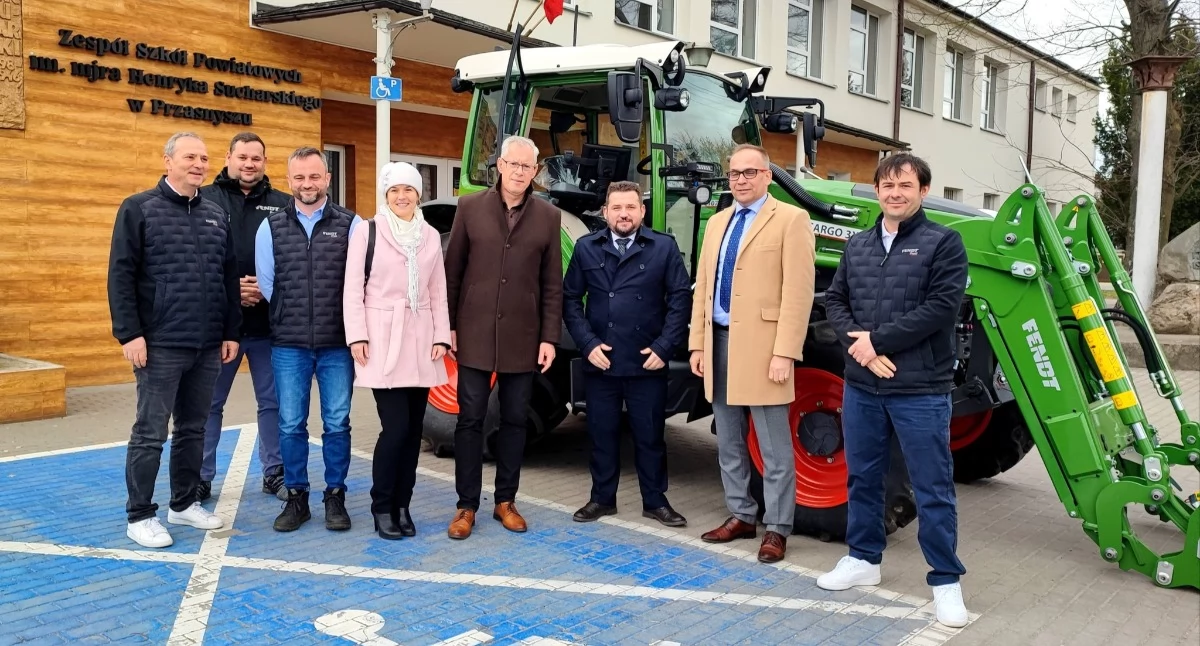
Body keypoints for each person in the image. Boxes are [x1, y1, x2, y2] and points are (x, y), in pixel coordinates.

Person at [816, 152, 970, 628]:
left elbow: (943, 307)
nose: (895, 193)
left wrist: (877, 341)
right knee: (863, 476)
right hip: (862, 387)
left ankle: (945, 580)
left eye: (905, 185)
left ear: (923, 191)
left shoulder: (944, 243)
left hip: (920, 388)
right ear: (877, 190)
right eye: (887, 185)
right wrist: (859, 348)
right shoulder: (859, 245)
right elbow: (835, 301)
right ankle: (863, 559)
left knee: (932, 487)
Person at [107, 132, 241, 548]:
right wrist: (130, 334)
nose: (198, 164)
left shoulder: (217, 214)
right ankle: (139, 515)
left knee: (193, 429)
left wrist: (230, 331)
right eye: (189, 157)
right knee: (150, 432)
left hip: (206, 345)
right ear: (168, 161)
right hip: (159, 344)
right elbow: (121, 276)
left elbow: (227, 279)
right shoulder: (138, 208)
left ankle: (183, 504)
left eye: (203, 158)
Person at [688, 144, 815, 564]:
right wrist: (698, 343)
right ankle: (741, 513)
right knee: (728, 439)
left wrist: (785, 353)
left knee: (774, 446)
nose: (740, 180)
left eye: (749, 172)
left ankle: (777, 528)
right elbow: (704, 286)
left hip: (764, 349)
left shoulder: (792, 220)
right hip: (720, 341)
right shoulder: (718, 221)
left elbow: (798, 294)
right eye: (734, 174)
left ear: (768, 176)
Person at [443, 135, 562, 539]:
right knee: (470, 420)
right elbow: (452, 271)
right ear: (499, 166)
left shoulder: (548, 217)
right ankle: (465, 506)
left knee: (514, 421)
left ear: (534, 172)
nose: (518, 172)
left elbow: (551, 284)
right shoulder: (469, 208)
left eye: (527, 167)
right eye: (512, 164)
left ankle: (505, 501)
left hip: (523, 337)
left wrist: (548, 337)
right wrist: (450, 327)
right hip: (474, 334)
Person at [562, 180, 690, 527]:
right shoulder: (587, 248)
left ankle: (655, 501)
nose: (624, 214)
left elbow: (680, 300)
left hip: (647, 359)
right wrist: (588, 344)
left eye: (630, 207)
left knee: (650, 436)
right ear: (605, 212)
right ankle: (602, 499)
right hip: (602, 360)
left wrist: (664, 348)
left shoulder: (663, 247)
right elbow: (570, 300)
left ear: (642, 211)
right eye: (616, 207)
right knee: (601, 434)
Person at [255, 146, 363, 533]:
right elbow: (268, 284)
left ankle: (335, 496)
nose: (307, 184)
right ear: (289, 181)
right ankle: (296, 498)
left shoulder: (352, 224)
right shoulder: (270, 227)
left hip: (337, 344)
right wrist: (291, 314)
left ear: (328, 179)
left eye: (314, 176)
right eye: (299, 177)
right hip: (289, 344)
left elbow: (358, 283)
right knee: (290, 424)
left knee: (337, 423)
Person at [344, 162, 451, 540]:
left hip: (422, 342)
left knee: (413, 430)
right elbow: (353, 287)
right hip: (383, 339)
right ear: (386, 195)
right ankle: (382, 506)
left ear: (418, 194)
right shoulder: (367, 231)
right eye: (395, 191)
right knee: (396, 429)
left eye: (409, 190)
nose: (402, 197)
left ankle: (404, 504)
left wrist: (442, 336)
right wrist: (357, 336)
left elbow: (437, 290)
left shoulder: (430, 235)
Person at [197, 132, 291, 503]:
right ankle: (200, 477)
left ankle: (275, 473)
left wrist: (265, 289)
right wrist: (230, 290)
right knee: (208, 405)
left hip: (270, 327)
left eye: (256, 158)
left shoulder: (283, 205)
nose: (249, 164)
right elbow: (195, 262)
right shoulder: (204, 200)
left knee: (274, 404)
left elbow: (295, 261)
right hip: (221, 328)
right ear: (228, 158)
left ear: (264, 162)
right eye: (242, 157)